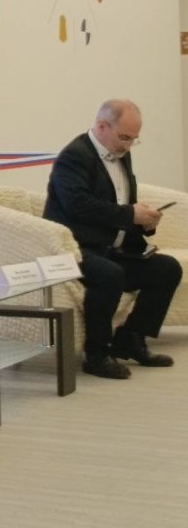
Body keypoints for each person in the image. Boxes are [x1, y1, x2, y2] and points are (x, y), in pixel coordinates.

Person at [44, 99, 182, 380]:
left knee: (167, 269)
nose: (128, 145)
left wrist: (144, 222)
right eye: (124, 137)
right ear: (102, 126)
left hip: (109, 248)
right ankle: (97, 354)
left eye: (133, 139)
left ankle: (131, 338)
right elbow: (77, 205)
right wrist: (131, 214)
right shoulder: (74, 156)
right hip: (75, 249)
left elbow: (121, 204)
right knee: (109, 274)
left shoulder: (120, 153)